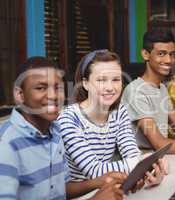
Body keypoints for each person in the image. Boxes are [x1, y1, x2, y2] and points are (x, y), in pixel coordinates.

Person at [0, 57, 125, 200]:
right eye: (41, 88)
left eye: (58, 88)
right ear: (20, 95)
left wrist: (98, 182)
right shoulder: (6, 144)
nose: (53, 96)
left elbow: (60, 189)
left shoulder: (55, 131)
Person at [57, 50, 166, 187]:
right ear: (85, 84)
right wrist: (145, 162)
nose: (110, 87)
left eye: (115, 79)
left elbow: (131, 153)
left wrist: (151, 171)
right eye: (101, 80)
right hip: (80, 193)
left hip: (107, 187)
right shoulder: (69, 118)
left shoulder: (119, 111)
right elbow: (94, 171)